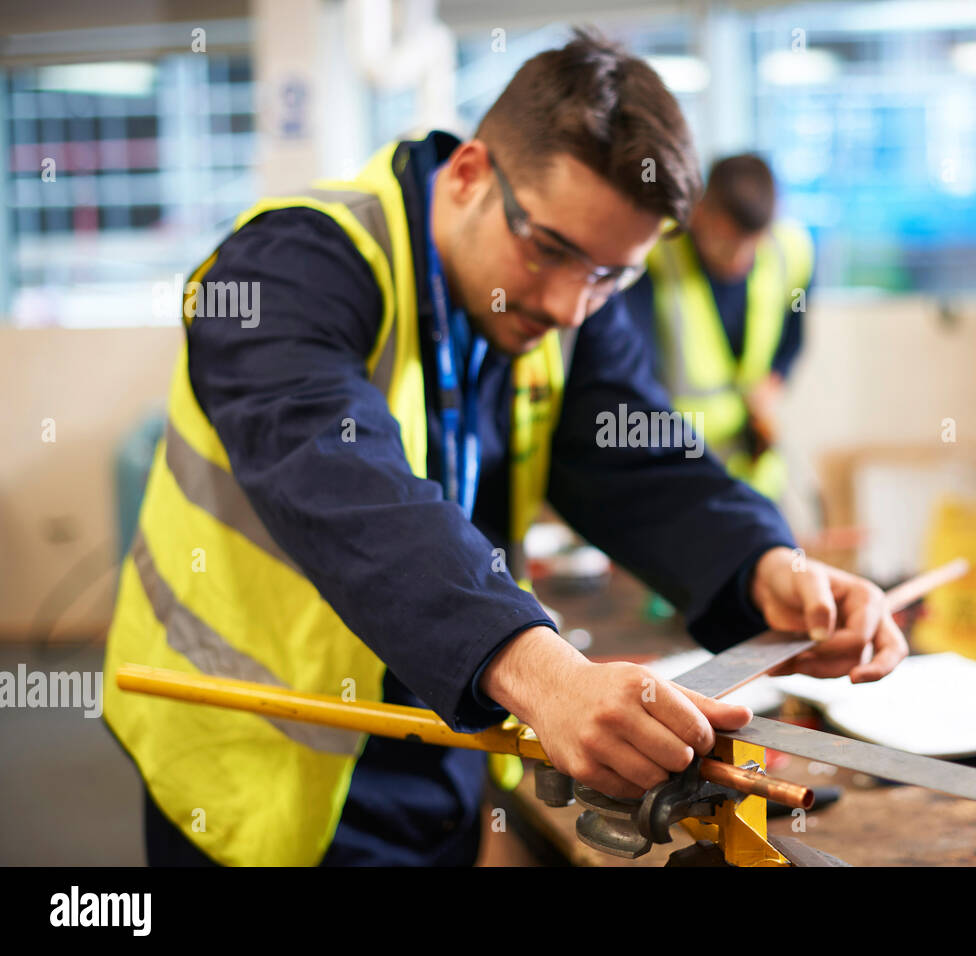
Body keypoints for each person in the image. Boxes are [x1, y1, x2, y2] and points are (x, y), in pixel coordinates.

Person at [102, 29, 905, 867]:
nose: (569, 305)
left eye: (611, 276)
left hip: (448, 716)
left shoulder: (569, 295)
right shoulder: (281, 272)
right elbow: (349, 490)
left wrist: (763, 567)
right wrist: (546, 676)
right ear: (469, 174)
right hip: (248, 752)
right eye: (549, 249)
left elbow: (638, 454)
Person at [625, 154, 813, 501]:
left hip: (757, 475)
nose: (739, 260)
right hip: (679, 471)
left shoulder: (791, 250)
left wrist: (771, 387)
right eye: (727, 243)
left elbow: (793, 337)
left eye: (752, 246)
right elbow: (635, 373)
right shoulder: (654, 256)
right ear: (699, 213)